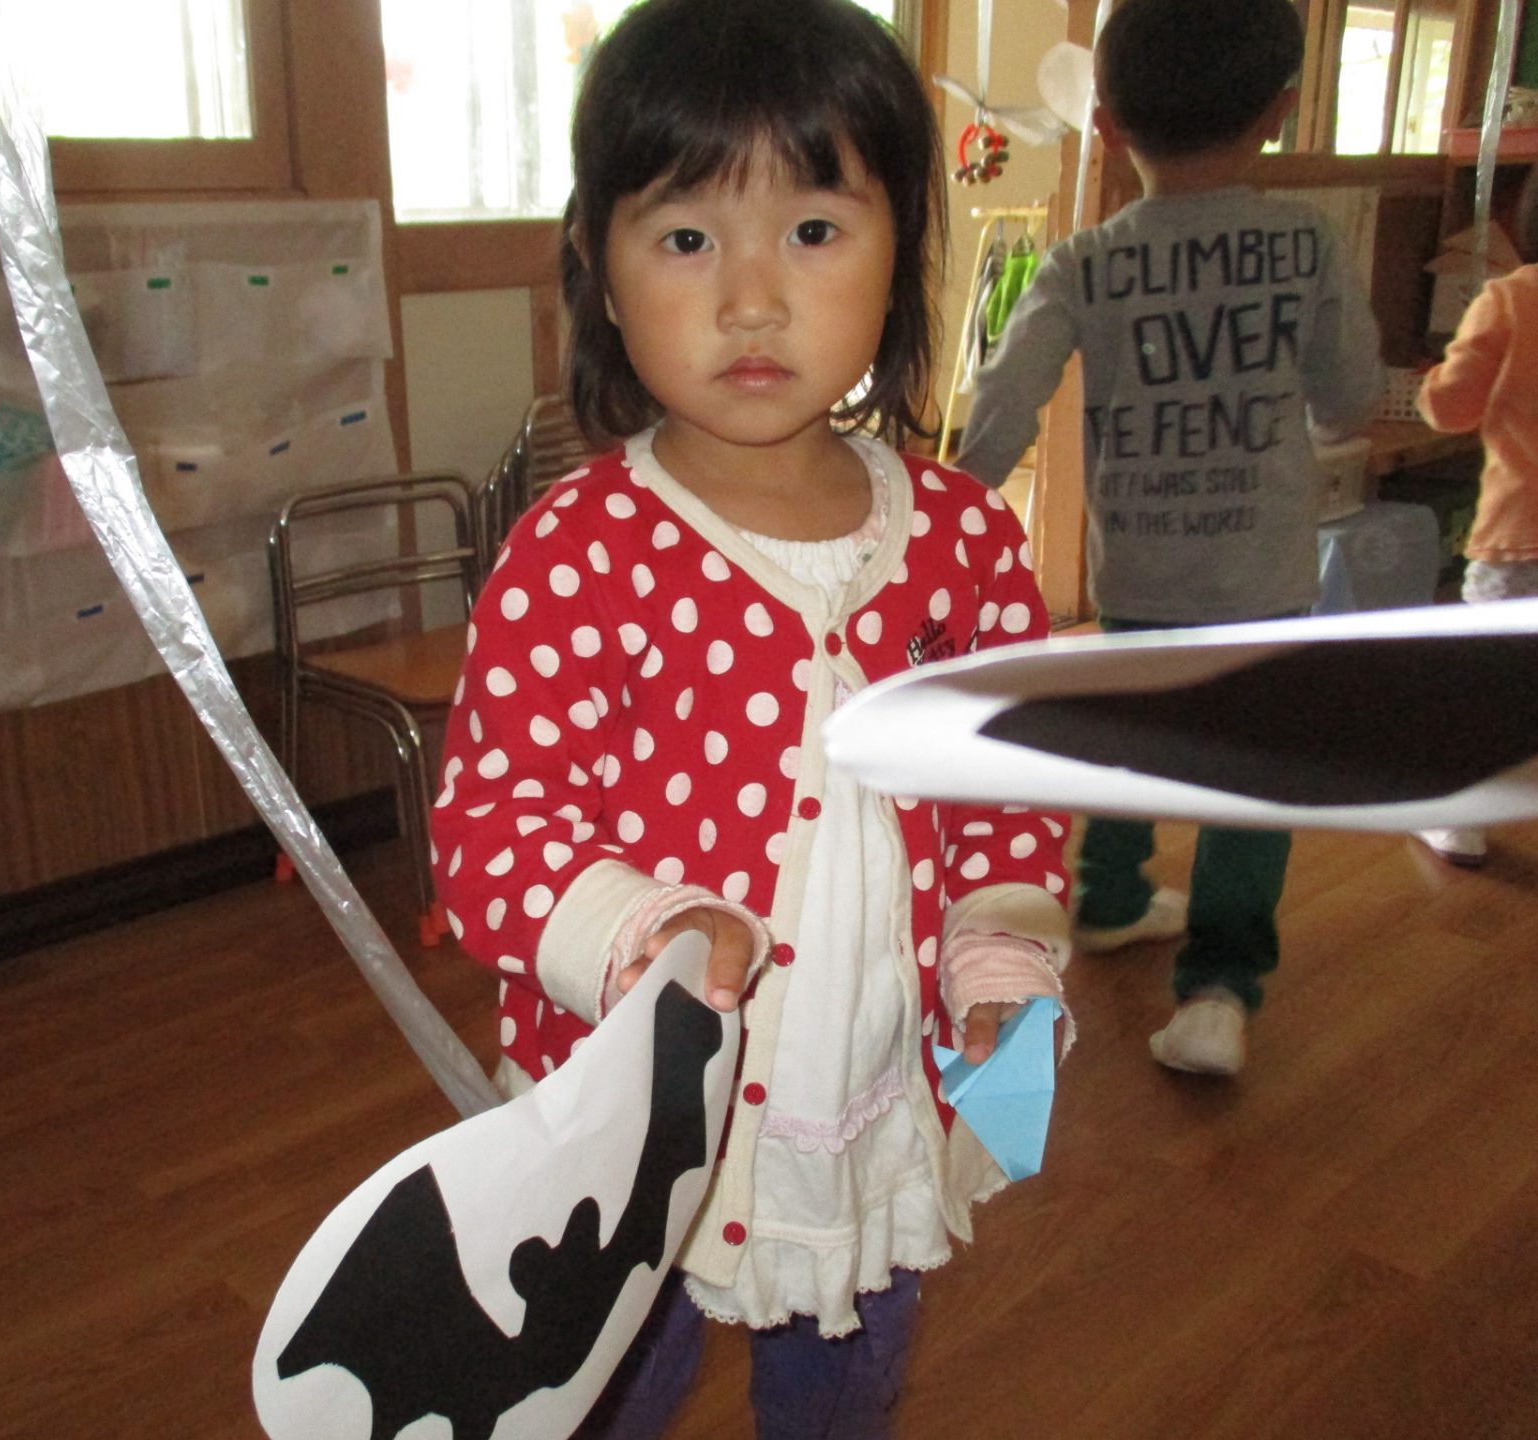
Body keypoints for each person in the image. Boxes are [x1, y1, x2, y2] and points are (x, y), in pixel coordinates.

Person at [430, 2, 1074, 1435]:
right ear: (598, 268)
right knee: (605, 1398)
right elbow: (491, 831)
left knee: (847, 1392)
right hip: (638, 1131)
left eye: (814, 229)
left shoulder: (966, 540)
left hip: (869, 1106)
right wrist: (642, 928)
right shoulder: (579, 551)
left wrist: (998, 953)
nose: (751, 300)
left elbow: (1007, 785)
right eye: (685, 237)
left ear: (902, 251)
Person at [957, 0, 1384, 1079]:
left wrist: (954, 511)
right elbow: (1349, 400)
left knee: (1132, 735)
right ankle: (1218, 991)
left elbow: (1003, 401)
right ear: (1279, 113)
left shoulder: (1084, 261)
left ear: (1104, 125)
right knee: (1249, 781)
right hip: (1263, 577)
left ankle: (1107, 896)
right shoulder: (1307, 242)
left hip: (1139, 570)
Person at [1410, 176, 1538, 868]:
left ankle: (1458, 822)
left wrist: (1432, 379)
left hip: (1519, 534)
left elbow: (1452, 408)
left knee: (1482, 685)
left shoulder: (1510, 299)